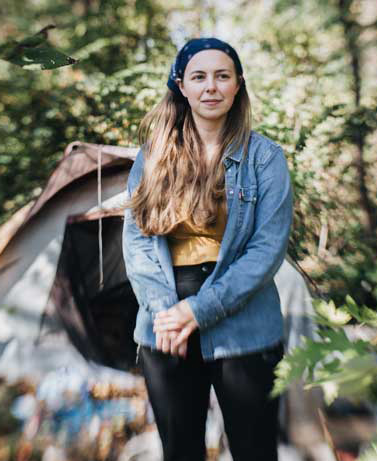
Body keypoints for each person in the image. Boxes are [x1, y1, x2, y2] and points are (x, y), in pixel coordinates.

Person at [122, 37, 293, 461]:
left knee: (255, 451)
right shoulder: (153, 157)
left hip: (244, 317)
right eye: (199, 77)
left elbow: (266, 249)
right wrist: (166, 312)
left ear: (238, 85)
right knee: (180, 451)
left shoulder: (266, 159)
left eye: (222, 76)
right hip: (163, 321)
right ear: (182, 86)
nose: (211, 87)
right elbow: (137, 240)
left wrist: (199, 310)